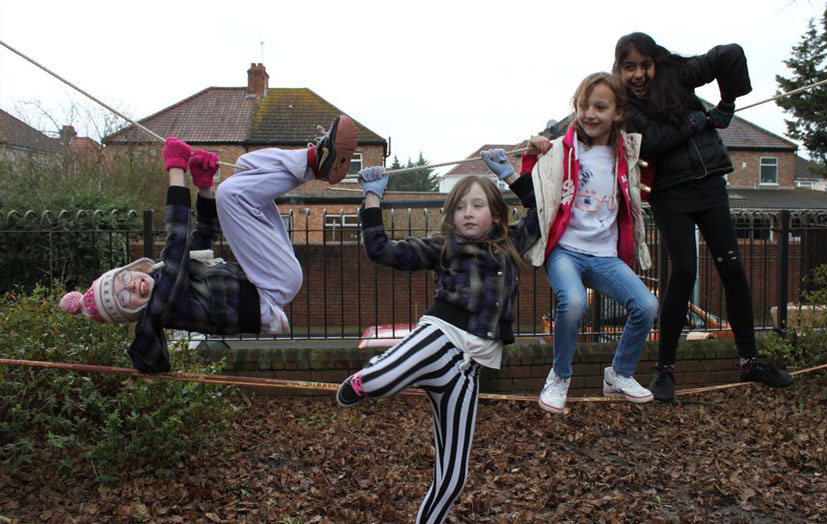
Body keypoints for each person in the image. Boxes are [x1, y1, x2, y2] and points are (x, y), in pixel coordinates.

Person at [59, 116, 359, 373]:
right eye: (126, 299)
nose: (133, 287)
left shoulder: (163, 276)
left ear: (129, 271)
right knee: (232, 194)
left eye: (124, 280)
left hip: (267, 281)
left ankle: (317, 162)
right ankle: (315, 163)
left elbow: (204, 234)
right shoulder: (161, 305)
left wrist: (205, 187)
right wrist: (176, 170)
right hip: (271, 288)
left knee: (245, 167)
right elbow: (176, 238)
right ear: (130, 314)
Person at [334, 152, 541, 524]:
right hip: (440, 338)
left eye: (477, 205)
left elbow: (541, 209)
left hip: (469, 370)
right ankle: (367, 378)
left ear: (495, 214)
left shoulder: (511, 244)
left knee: (454, 476)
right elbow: (381, 250)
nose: (467, 212)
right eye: (460, 206)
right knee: (381, 380)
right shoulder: (442, 246)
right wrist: (372, 198)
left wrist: (511, 174)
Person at [612, 32, 794, 402]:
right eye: (629, 67)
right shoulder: (625, 106)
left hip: (709, 182)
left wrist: (726, 104)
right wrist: (697, 122)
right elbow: (653, 141)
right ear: (620, 69)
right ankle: (664, 369)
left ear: (655, 62)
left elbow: (730, 55)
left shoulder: (676, 75)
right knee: (684, 271)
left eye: (644, 65)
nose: (638, 75)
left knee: (732, 267)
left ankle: (749, 360)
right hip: (669, 192)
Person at [516, 72, 658, 414]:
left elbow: (647, 181)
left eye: (600, 107)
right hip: (566, 250)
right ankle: (560, 376)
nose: (590, 114)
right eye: (583, 106)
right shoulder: (564, 147)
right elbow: (533, 185)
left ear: (618, 113)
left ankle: (619, 373)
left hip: (606, 256)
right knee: (574, 302)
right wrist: (535, 152)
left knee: (647, 306)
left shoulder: (627, 153)